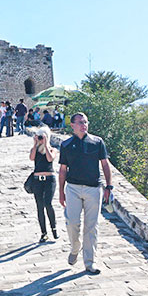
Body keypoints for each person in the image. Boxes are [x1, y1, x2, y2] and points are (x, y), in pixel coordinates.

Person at [59, 112, 112, 275]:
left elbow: (105, 164)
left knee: (91, 226)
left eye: (86, 122)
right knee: (72, 222)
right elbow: (62, 170)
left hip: (93, 189)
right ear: (73, 125)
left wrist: (109, 187)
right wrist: (61, 192)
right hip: (73, 188)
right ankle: (75, 247)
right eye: (80, 122)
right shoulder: (66, 145)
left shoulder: (97, 142)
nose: (84, 125)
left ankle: (89, 262)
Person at [29, 127, 59, 242]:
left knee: (48, 203)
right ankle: (43, 233)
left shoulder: (52, 149)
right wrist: (35, 144)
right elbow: (31, 158)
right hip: (37, 180)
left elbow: (50, 159)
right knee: (39, 206)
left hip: (49, 179)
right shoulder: (35, 150)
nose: (41, 138)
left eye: (42, 136)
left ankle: (54, 228)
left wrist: (46, 145)